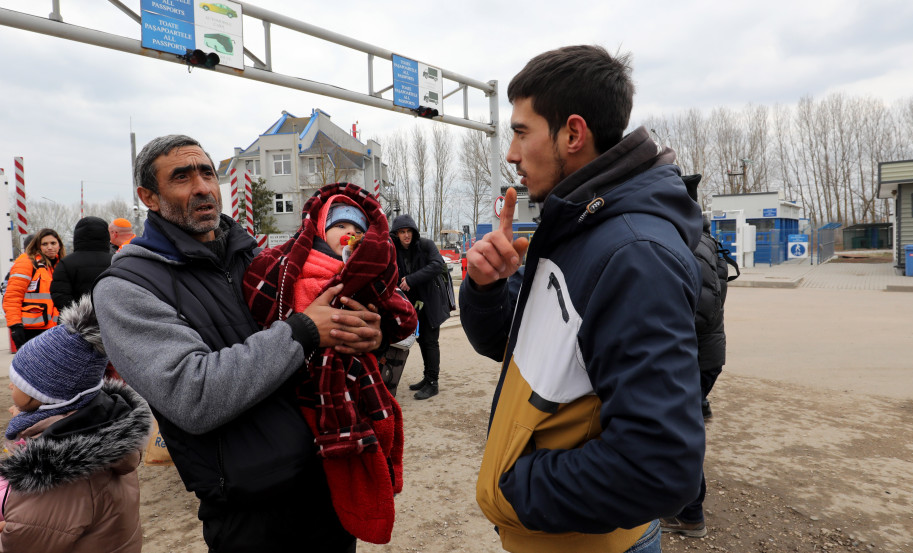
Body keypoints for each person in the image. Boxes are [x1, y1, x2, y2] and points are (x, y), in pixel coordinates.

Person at [460, 45, 705, 553]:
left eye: (521, 131)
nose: (510, 152)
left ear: (573, 134)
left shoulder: (634, 254)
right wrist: (486, 288)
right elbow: (513, 348)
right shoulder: (576, 227)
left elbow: (659, 468)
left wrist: (511, 487)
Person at [92, 134, 384, 553]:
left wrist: (363, 332)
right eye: (181, 177)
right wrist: (301, 331)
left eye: (207, 173)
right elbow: (191, 394)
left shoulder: (259, 258)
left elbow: (320, 340)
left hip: (324, 481)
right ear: (148, 197)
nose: (202, 188)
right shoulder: (128, 287)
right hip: (250, 513)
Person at [241, 182, 417, 544]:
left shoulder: (372, 270)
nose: (349, 234)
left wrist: (380, 326)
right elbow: (275, 301)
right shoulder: (299, 263)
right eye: (340, 227)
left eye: (357, 230)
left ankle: (379, 486)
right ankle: (361, 500)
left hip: (355, 372)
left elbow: (401, 318)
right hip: (305, 377)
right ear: (321, 229)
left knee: (379, 428)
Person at [0, 296, 152, 552]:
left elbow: (23, 541)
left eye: (18, 381)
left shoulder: (57, 472)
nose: (10, 385)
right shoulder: (95, 426)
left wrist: (6, 529)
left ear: (43, 396)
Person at [390, 215, 453, 400]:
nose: (406, 235)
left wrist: (411, 279)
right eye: (402, 232)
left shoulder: (425, 245)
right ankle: (427, 377)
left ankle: (433, 383)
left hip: (431, 300)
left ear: (414, 232)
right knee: (422, 340)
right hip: (414, 304)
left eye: (409, 231)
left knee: (431, 341)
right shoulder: (395, 249)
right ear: (396, 234)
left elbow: (437, 264)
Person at [4, 228, 65, 351]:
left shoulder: (61, 265)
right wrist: (15, 326)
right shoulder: (26, 262)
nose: (49, 247)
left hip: (54, 329)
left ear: (59, 245)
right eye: (45, 244)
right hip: (30, 329)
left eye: (53, 243)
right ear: (38, 246)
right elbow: (12, 296)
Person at [50, 216, 113, 312]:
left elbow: (59, 295)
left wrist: (78, 315)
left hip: (76, 323)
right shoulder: (116, 261)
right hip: (110, 319)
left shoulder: (66, 263)